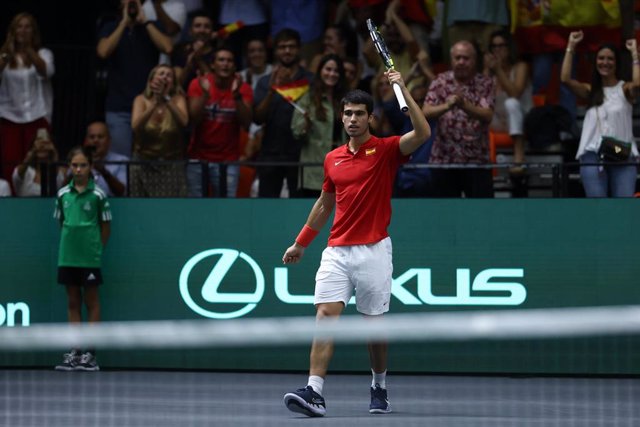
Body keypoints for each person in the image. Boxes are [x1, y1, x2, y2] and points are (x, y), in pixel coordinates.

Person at [281, 70, 430, 417]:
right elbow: (324, 204)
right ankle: (314, 391)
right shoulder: (332, 158)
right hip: (336, 251)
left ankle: (379, 384)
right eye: (347, 113)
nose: (352, 119)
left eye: (359, 113)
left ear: (370, 117)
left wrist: (402, 88)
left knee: (374, 330)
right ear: (342, 116)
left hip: (374, 250)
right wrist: (301, 242)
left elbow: (423, 133)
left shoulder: (387, 149)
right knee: (325, 315)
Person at [54, 146, 112, 371]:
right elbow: (62, 223)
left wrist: (97, 249)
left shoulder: (98, 195)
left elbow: (106, 226)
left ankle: (90, 353)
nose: (78, 169)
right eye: (75, 165)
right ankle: (75, 351)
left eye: (83, 165)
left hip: (89, 258)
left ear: (90, 167)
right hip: (67, 256)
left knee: (91, 302)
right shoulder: (62, 195)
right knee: (72, 302)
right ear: (70, 167)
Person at [561, 31, 640, 197]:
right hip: (592, 155)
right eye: (601, 58)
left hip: (621, 153)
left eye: (610, 59)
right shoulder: (590, 91)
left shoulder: (625, 89)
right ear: (595, 62)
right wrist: (571, 45)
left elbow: (638, 84)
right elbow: (565, 78)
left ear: (617, 63)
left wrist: (634, 54)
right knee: (598, 208)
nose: (605, 62)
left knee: (623, 208)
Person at [97, 0, 174, 157]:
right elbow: (103, 52)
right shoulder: (111, 27)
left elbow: (168, 47)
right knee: (120, 160)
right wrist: (124, 23)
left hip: (149, 105)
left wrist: (145, 22)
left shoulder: (152, 26)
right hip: (119, 106)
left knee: (147, 160)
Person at [423, 40, 495, 198]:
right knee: (444, 215)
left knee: (481, 213)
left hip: (476, 160)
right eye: (458, 58)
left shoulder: (485, 83)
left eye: (466, 58)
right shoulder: (440, 81)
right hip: (443, 160)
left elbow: (487, 115)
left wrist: (464, 105)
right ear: (451, 60)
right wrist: (447, 106)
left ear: (475, 60)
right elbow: (426, 112)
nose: (461, 62)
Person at [253, 28, 314, 198]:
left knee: (300, 209)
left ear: (299, 49)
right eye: (282, 47)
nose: (287, 51)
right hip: (270, 154)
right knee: (267, 207)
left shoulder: (311, 81)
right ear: (275, 51)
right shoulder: (265, 82)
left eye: (291, 46)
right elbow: (257, 118)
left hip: (301, 154)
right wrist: (272, 91)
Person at [186, 46, 252, 197]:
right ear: (213, 65)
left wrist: (236, 96)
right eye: (221, 60)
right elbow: (192, 120)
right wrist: (204, 95)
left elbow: (246, 124)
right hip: (198, 158)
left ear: (235, 67)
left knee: (226, 208)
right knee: (195, 207)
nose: (225, 64)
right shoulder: (198, 84)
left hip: (228, 160)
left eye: (229, 61)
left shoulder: (243, 88)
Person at [0, 12, 54, 185]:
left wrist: (28, 49)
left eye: (27, 26)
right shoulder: (4, 56)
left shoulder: (43, 53)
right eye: (19, 26)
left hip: (37, 116)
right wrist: (8, 52)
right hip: (10, 117)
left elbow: (47, 71)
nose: (23, 30)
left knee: (40, 163)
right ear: (13, 31)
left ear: (33, 31)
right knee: (12, 165)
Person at [291, 54, 348, 198]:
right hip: (314, 170)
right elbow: (296, 131)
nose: (332, 74)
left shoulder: (345, 99)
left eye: (336, 71)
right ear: (320, 71)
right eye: (328, 69)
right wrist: (306, 124)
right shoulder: (308, 98)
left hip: (340, 167)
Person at [131, 64, 188, 197]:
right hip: (143, 164)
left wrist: (166, 99)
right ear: (151, 81)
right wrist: (155, 102)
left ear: (173, 83)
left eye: (169, 75)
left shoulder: (178, 99)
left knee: (170, 208)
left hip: (171, 165)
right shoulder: (140, 100)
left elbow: (184, 122)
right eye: (161, 74)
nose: (165, 78)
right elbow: (135, 126)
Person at [483, 29, 533, 171]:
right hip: (499, 121)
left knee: (511, 103)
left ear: (509, 47)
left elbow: (515, 93)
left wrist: (498, 71)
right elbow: (480, 98)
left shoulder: (520, 66)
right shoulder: (491, 72)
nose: (498, 50)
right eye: (494, 46)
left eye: (501, 46)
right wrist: (487, 70)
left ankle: (519, 156)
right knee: (478, 113)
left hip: (523, 120)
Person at [12, 128, 65, 197]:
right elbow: (19, 173)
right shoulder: (26, 172)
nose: (42, 146)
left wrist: (53, 152)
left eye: (46, 142)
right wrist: (34, 149)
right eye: (39, 140)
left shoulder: (59, 172)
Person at [172, 9, 216, 90]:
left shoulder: (219, 53)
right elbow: (177, 84)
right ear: (190, 31)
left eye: (207, 27)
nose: (202, 30)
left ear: (212, 31)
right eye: (197, 26)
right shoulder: (181, 50)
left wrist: (199, 59)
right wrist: (189, 65)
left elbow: (215, 87)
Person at [84, 121, 129, 197]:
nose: (96, 140)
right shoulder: (78, 160)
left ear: (109, 140)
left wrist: (103, 171)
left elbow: (123, 192)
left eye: (100, 137)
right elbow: (64, 190)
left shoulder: (122, 161)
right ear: (86, 141)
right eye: (92, 137)